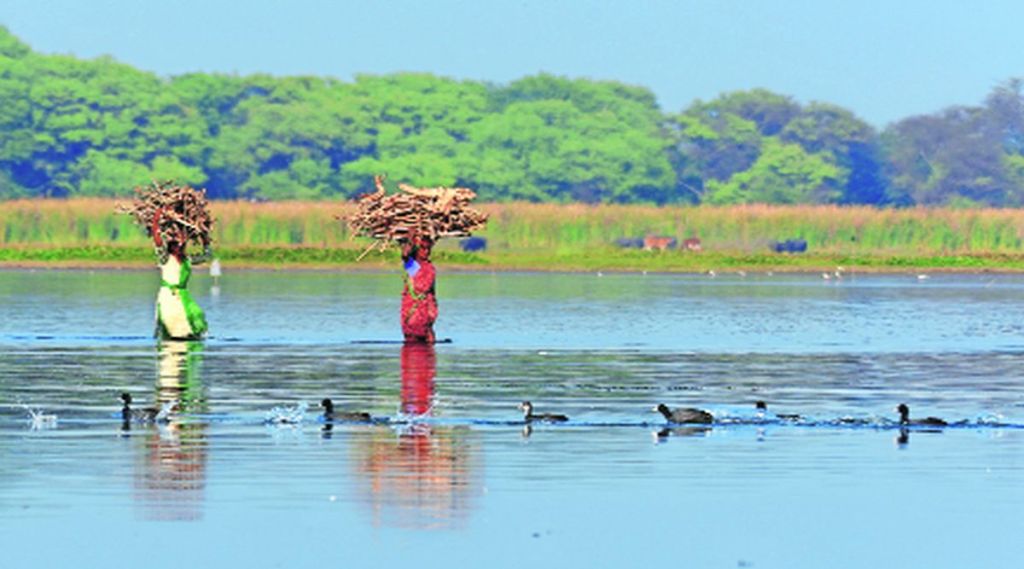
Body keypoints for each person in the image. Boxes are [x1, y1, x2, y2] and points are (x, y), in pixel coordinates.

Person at [152, 208, 209, 340]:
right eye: (178, 245)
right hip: (168, 296)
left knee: (194, 314)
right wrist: (156, 222)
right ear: (172, 248)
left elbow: (207, 256)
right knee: (171, 318)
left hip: (183, 295)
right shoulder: (165, 259)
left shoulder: (187, 260)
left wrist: (205, 238)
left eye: (182, 245)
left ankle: (187, 339)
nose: (181, 247)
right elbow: (158, 242)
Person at [400, 232, 438, 344]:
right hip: (411, 314)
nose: (426, 251)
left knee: (429, 344)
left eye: (428, 248)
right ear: (417, 249)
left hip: (425, 315)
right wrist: (410, 238)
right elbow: (405, 256)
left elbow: (430, 293)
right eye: (423, 248)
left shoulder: (429, 268)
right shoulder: (413, 266)